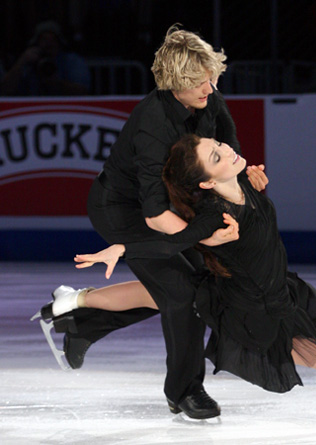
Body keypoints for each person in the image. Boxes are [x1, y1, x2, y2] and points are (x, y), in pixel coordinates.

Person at [44, 135, 316, 424]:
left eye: (218, 143)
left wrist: (256, 187)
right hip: (252, 308)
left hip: (266, 290)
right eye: (216, 155)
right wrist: (121, 247)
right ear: (203, 183)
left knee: (162, 295)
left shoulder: (247, 184)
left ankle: (75, 300)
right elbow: (169, 244)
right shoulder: (214, 217)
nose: (225, 148)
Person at [32, 25, 268, 420]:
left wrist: (245, 177)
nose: (208, 87)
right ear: (174, 81)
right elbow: (154, 212)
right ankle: (184, 391)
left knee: (196, 286)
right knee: (182, 294)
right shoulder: (153, 123)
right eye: (197, 81)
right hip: (125, 212)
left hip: (169, 209)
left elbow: (230, 153)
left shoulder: (209, 98)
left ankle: (82, 323)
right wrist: (203, 241)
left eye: (210, 76)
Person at [1, 20, 90, 96]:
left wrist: (55, 83)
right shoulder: (27, 62)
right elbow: (4, 91)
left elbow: (83, 91)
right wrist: (21, 62)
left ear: (60, 43)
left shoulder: (72, 61)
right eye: (44, 39)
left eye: (53, 39)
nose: (49, 44)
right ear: (36, 42)